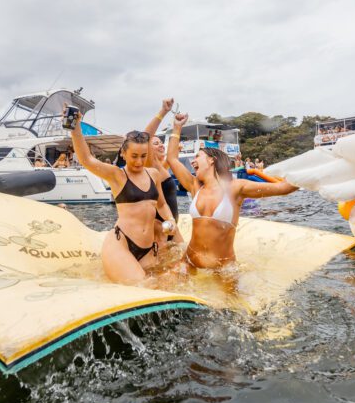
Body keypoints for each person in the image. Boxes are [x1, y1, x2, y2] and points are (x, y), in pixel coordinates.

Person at [167, 113, 298, 269]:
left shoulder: (236, 188)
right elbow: (172, 159)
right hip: (189, 263)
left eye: (198, 156)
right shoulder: (195, 187)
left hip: (223, 269)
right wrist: (177, 127)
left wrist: (317, 173)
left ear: (211, 160)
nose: (193, 161)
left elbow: (283, 188)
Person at [68, 109, 176, 284]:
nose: (139, 162)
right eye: (134, 156)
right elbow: (87, 159)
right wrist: (75, 128)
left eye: (143, 156)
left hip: (148, 248)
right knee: (145, 287)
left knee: (168, 283)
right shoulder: (117, 176)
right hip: (122, 244)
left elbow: (162, 205)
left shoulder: (153, 174)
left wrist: (171, 220)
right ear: (123, 153)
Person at [143, 98, 183, 245]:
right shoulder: (149, 163)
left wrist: (177, 128)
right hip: (161, 227)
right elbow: (145, 136)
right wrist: (163, 111)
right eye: (155, 143)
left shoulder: (160, 167)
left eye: (161, 142)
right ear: (147, 148)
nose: (160, 145)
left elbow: (173, 159)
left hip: (171, 225)